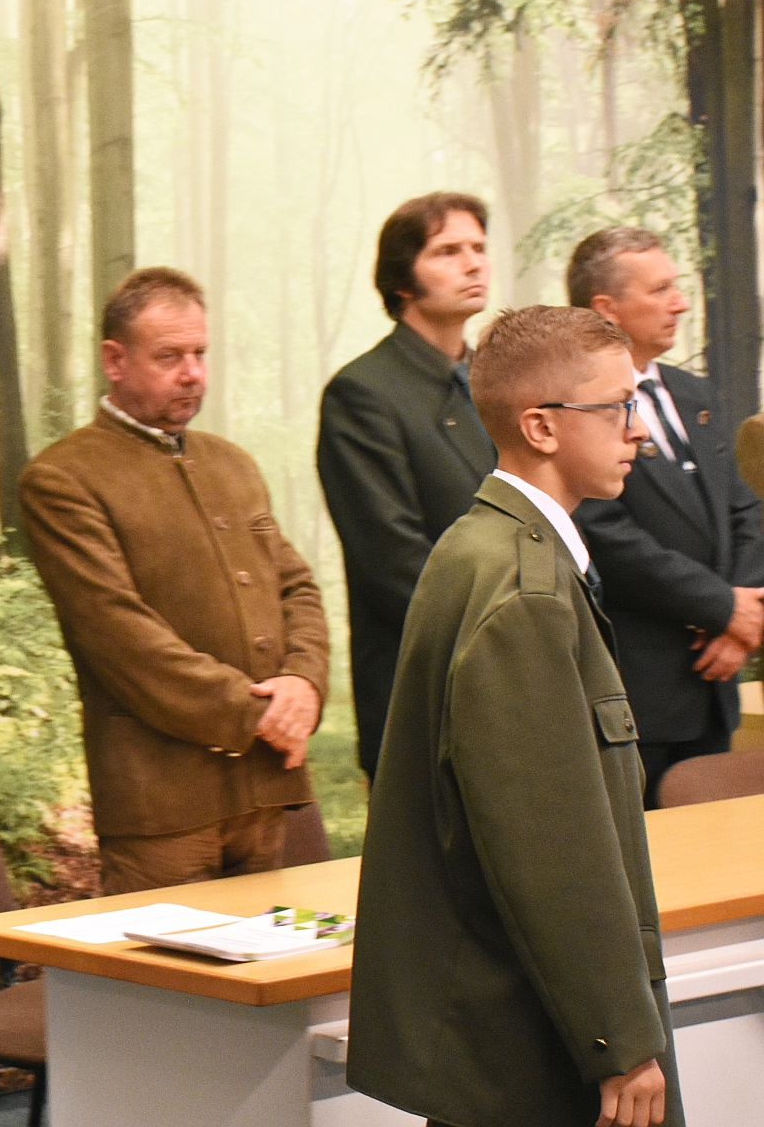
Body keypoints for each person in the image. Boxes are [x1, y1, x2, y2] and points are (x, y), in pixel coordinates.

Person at [349, 305, 679, 1127]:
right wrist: (621, 1038)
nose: (639, 431)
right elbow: (553, 849)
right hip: (533, 1048)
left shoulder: (478, 548)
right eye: (617, 407)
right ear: (541, 426)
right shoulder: (524, 593)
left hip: (507, 1028)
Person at [20, 267, 328, 895]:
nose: (192, 373)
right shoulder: (62, 478)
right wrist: (260, 714)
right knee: (165, 966)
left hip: (265, 792)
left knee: (268, 961)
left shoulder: (233, 464)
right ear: (115, 360)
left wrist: (304, 683)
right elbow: (120, 638)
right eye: (169, 357)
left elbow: (296, 588)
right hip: (160, 806)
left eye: (200, 354)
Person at [568, 227, 764, 806]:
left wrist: (743, 616)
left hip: (714, 680)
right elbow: (604, 532)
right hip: (638, 689)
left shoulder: (693, 393)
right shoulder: (576, 402)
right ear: (607, 308)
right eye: (660, 290)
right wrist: (721, 607)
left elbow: (745, 510)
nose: (679, 303)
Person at [317, 192, 497, 780]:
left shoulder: (500, 383)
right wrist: (515, 632)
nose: (473, 263)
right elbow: (394, 562)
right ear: (402, 281)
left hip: (523, 684)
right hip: (428, 695)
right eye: (447, 251)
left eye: (478, 247)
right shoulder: (363, 393)